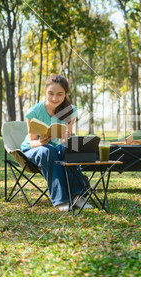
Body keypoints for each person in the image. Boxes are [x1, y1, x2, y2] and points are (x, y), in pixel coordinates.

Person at [21, 74, 92, 211]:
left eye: (59, 94)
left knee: (68, 149)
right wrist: (41, 142)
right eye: (51, 93)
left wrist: (66, 137)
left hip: (55, 148)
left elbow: (64, 142)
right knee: (47, 151)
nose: (55, 98)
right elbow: (31, 142)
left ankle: (78, 195)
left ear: (65, 94)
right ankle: (61, 200)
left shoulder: (70, 111)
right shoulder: (34, 112)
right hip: (34, 148)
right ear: (45, 92)